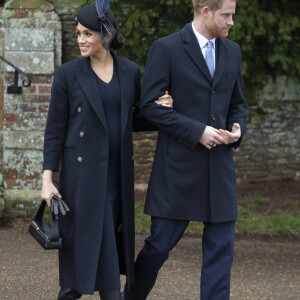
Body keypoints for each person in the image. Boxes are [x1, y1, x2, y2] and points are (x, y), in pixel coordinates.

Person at [41, 2, 173, 300]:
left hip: (117, 178)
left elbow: (134, 120)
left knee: (96, 256)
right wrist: (47, 180)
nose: (81, 40)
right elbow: (54, 131)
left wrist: (158, 111)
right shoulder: (68, 74)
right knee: (95, 256)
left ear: (107, 34)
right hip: (82, 179)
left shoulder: (129, 71)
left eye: (88, 34)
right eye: (78, 34)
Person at [123, 0, 248, 299]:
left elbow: (238, 103)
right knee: (158, 247)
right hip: (177, 170)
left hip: (219, 170)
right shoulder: (165, 48)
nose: (232, 21)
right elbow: (150, 107)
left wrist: (237, 129)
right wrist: (197, 131)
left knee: (221, 254)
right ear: (206, 11)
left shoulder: (232, 51)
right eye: (226, 15)